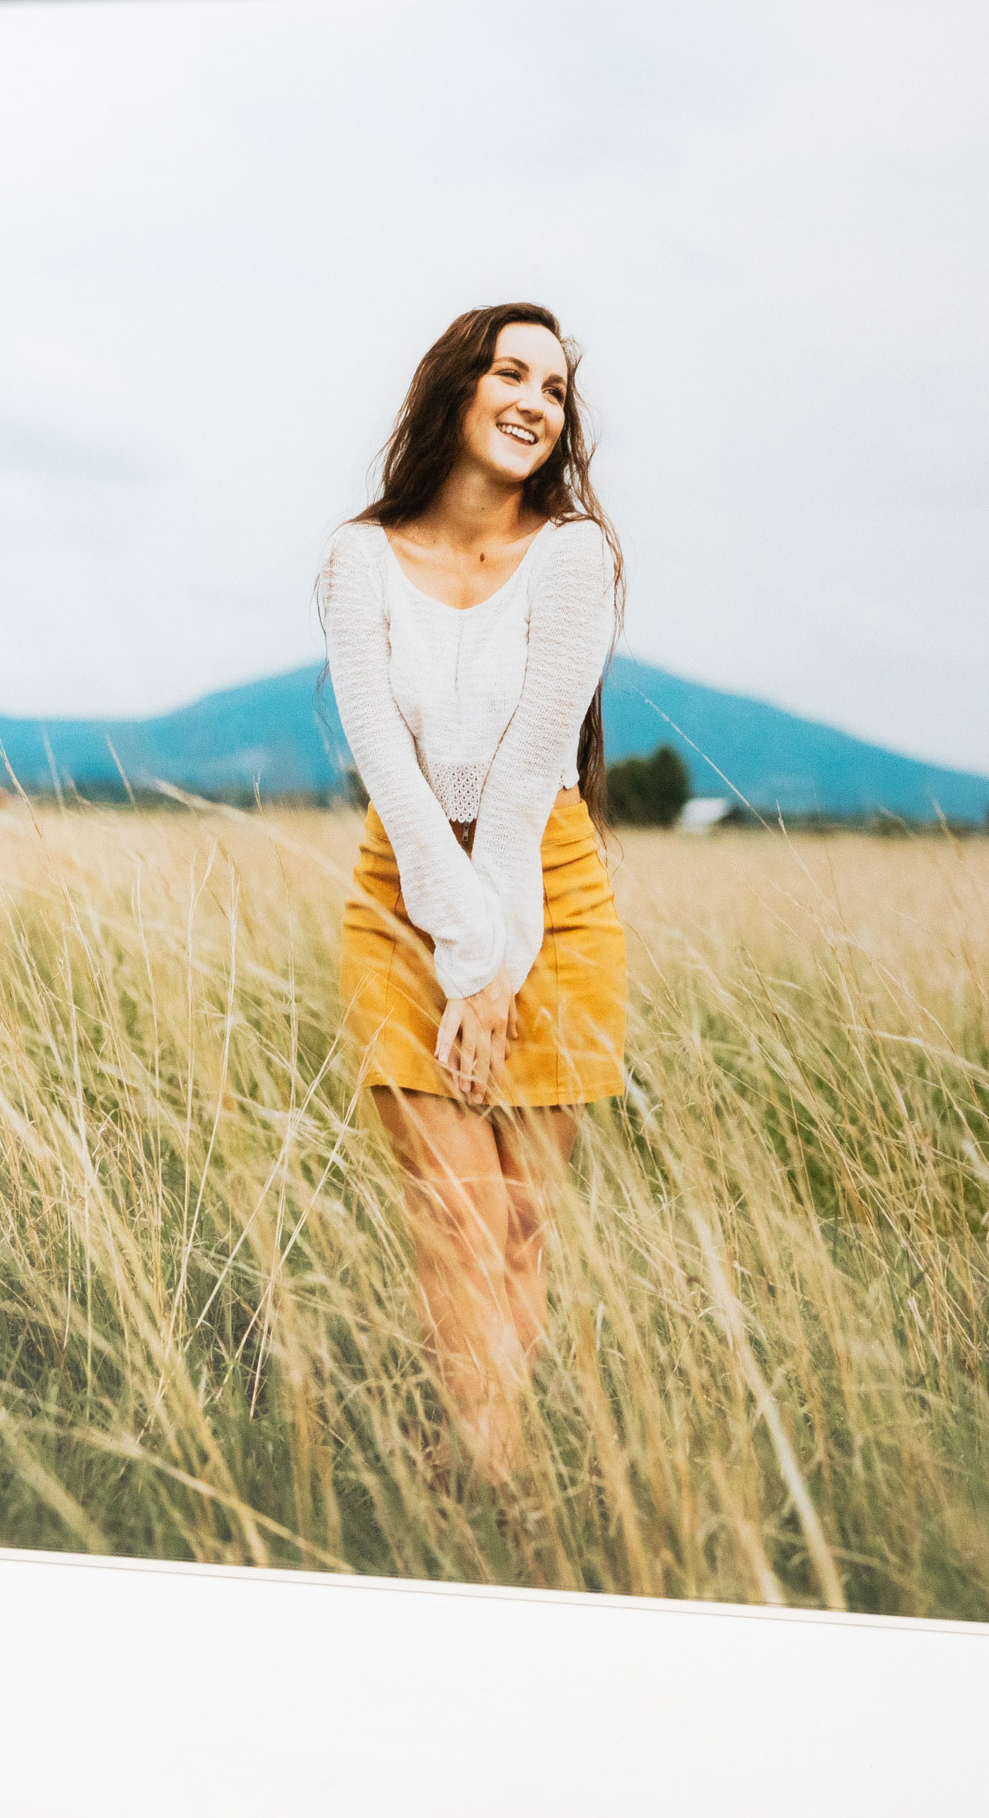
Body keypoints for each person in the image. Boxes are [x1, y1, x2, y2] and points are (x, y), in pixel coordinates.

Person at [317, 302, 627, 1492]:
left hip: (547, 882)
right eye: (511, 373)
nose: (533, 403)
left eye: (553, 390)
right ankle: (491, 1489)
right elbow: (389, 773)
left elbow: (519, 783)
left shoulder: (574, 556)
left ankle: (476, 1468)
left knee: (520, 1225)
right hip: (401, 891)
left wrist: (495, 970)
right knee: (454, 1217)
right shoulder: (356, 559)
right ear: (454, 386)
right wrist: (458, 959)